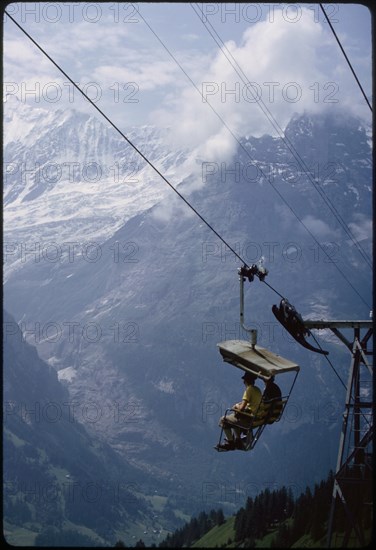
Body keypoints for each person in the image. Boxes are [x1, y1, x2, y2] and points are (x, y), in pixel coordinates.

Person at [218, 372, 262, 450]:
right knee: (235, 416)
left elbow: (241, 408)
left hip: (248, 420)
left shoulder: (249, 390)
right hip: (256, 418)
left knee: (223, 420)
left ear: (245, 381)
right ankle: (238, 440)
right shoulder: (257, 390)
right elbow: (251, 403)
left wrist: (236, 406)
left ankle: (231, 443)